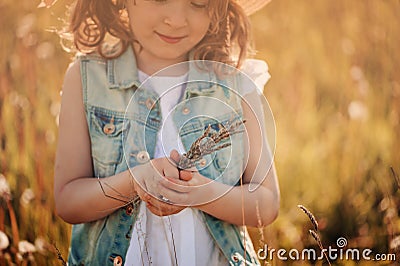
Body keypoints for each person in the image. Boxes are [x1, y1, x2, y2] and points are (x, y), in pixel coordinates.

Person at [54, 0, 280, 265]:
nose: (176, 19)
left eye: (198, 2)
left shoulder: (235, 81)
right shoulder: (87, 79)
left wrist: (203, 194)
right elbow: (68, 201)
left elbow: (266, 203)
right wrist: (135, 183)